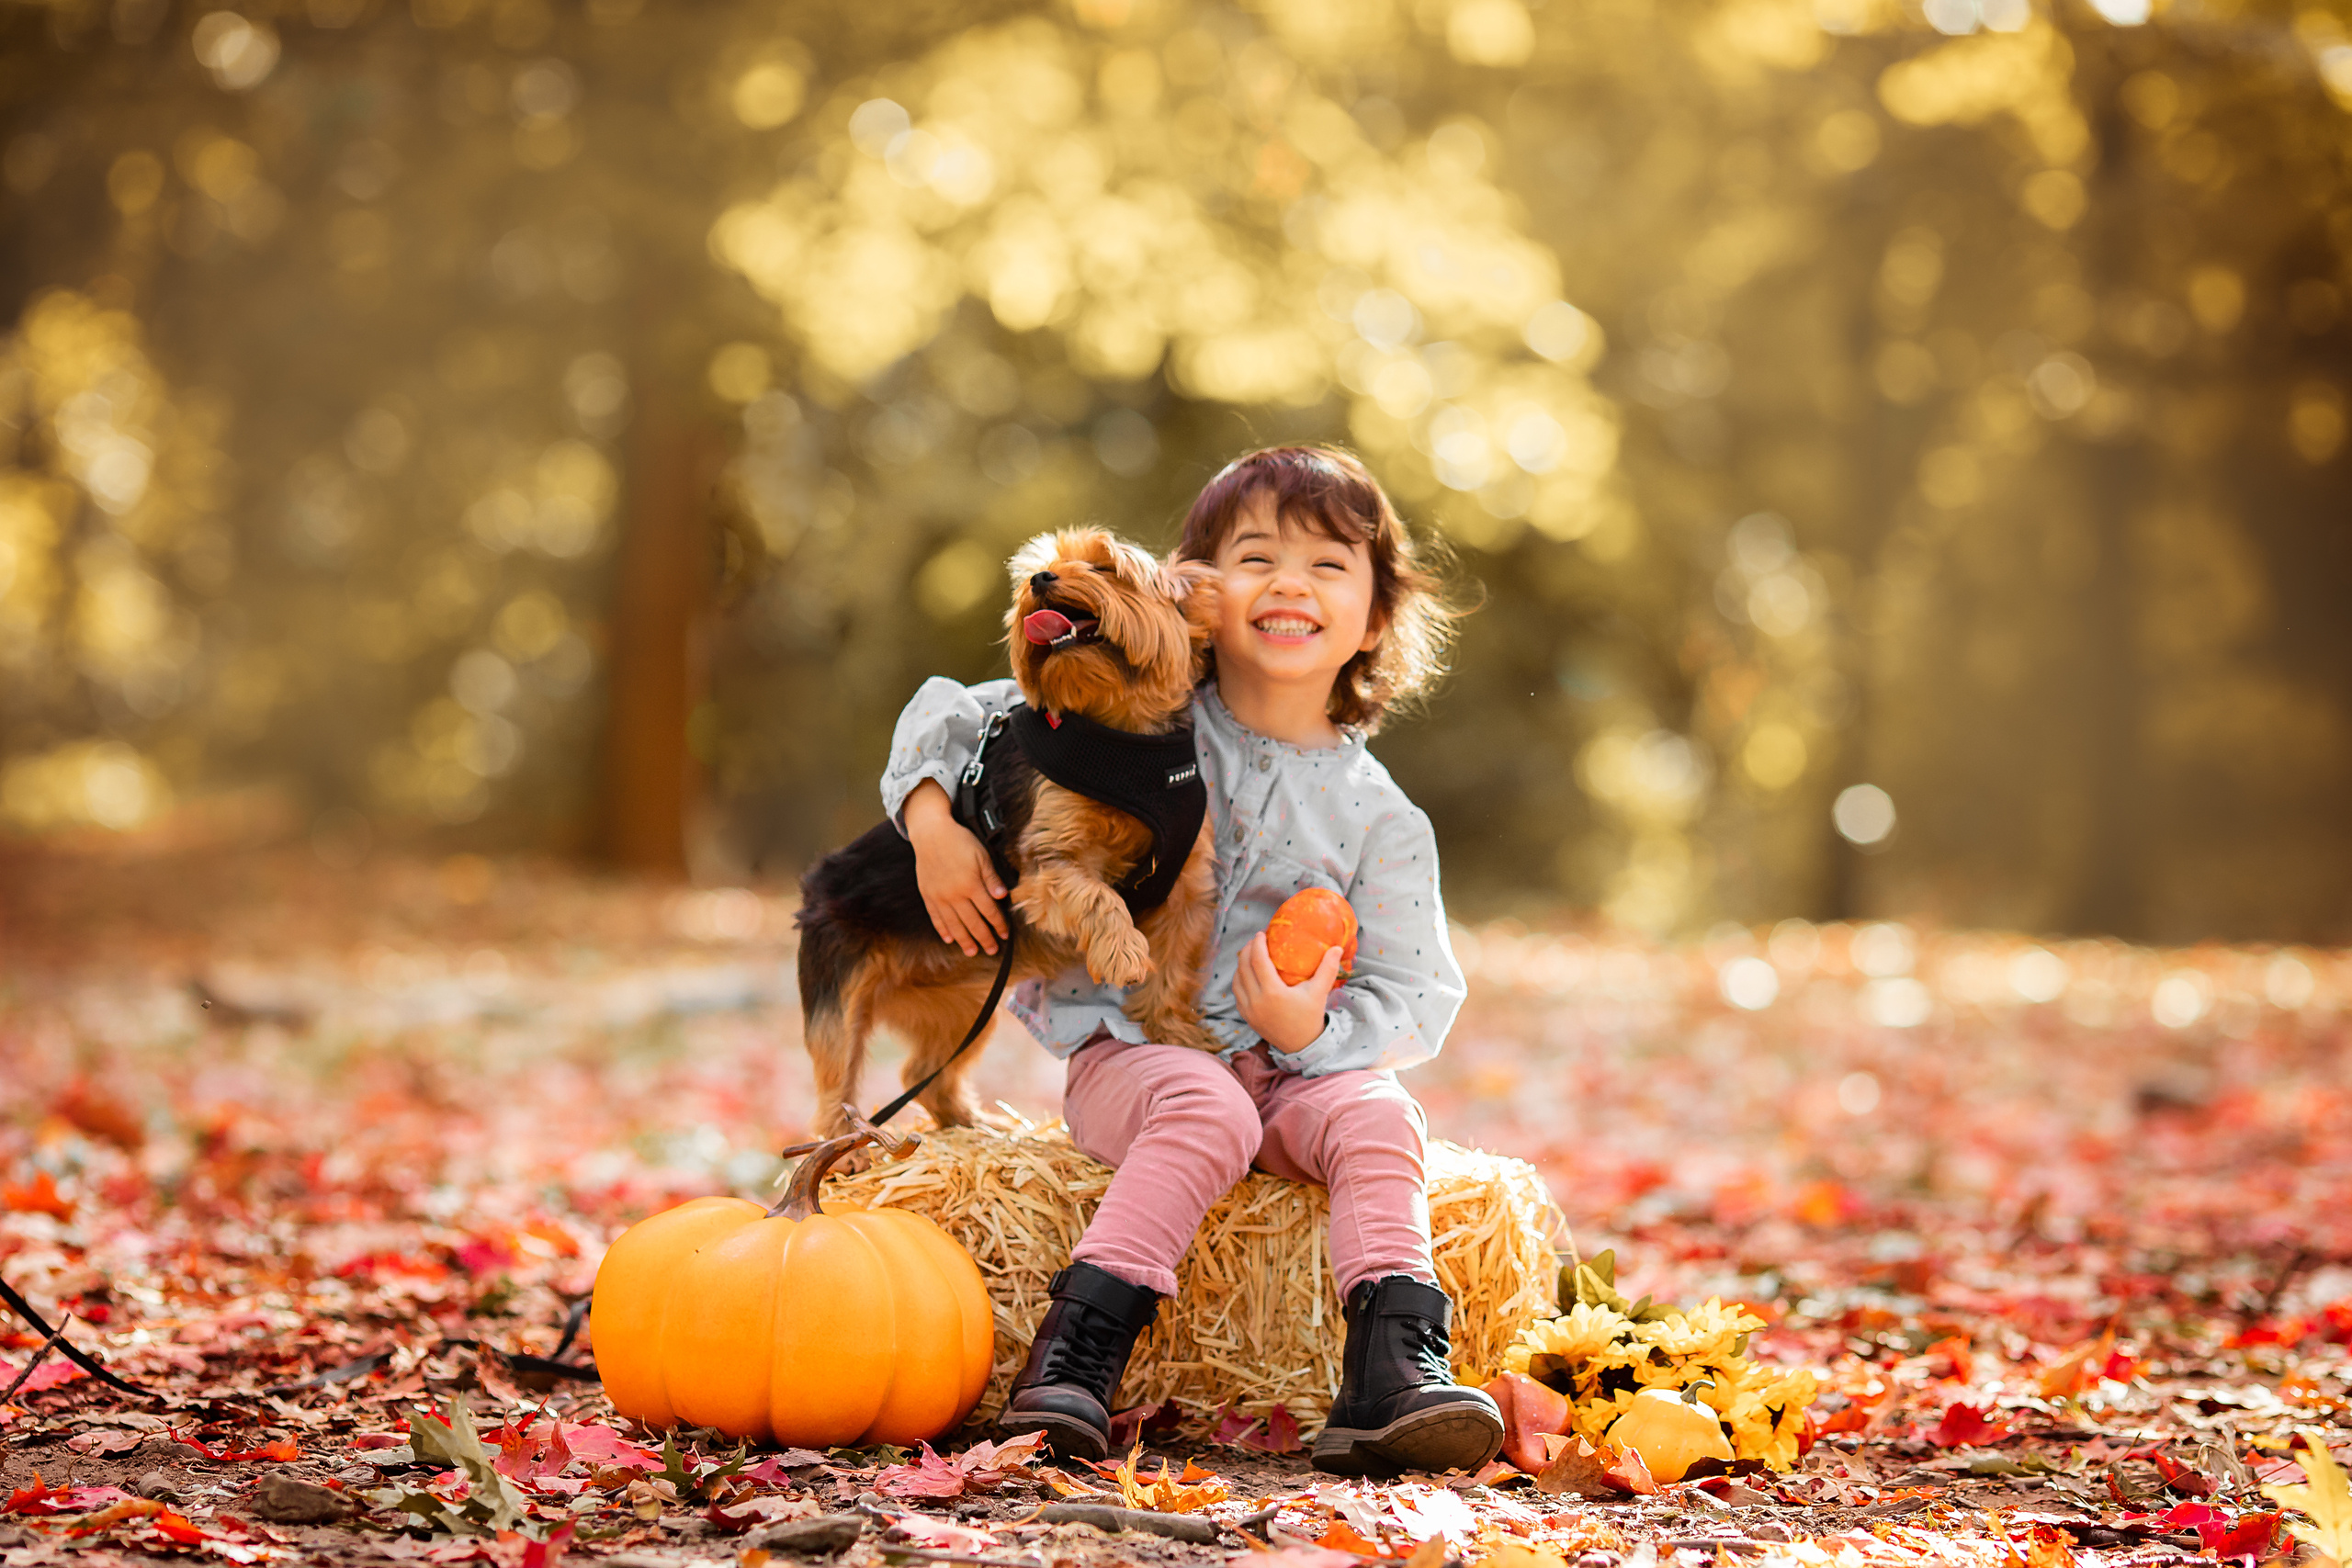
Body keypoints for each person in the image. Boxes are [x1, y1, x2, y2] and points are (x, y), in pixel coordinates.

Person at [877, 445, 1498, 1476]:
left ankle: (1395, 1369)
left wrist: (1315, 1032)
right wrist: (931, 819)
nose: (1289, 584)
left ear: (1377, 618)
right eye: (1255, 558)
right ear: (1194, 596)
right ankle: (1075, 1360)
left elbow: (1417, 991)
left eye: (1329, 567)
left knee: (1381, 1114)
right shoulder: (1133, 714)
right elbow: (955, 709)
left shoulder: (1384, 817)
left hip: (1295, 1074)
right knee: (1203, 1105)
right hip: (1136, 1056)